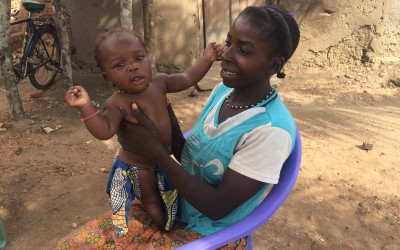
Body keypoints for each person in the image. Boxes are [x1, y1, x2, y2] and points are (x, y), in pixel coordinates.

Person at [57, 5, 300, 249]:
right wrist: (166, 118)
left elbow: (217, 207)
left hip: (211, 233)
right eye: (229, 42)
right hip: (173, 203)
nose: (226, 54)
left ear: (273, 65)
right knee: (72, 245)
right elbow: (190, 156)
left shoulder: (271, 131)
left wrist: (156, 152)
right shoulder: (224, 92)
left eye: (244, 50)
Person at [65, 27, 222, 236]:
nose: (132, 67)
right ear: (107, 76)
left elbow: (187, 78)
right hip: (140, 167)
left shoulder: (160, 83)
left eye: (139, 58)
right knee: (152, 201)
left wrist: (207, 58)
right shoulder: (116, 103)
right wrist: (86, 106)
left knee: (170, 192)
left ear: (149, 58)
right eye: (119, 65)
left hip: (162, 159)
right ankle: (167, 230)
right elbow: (104, 131)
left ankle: (170, 218)